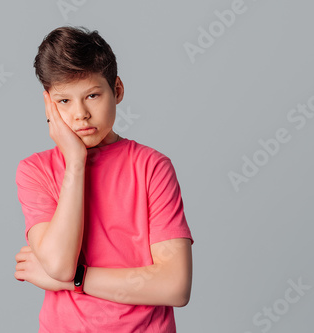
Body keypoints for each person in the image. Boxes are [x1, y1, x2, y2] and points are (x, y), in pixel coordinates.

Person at [14, 25, 194, 332]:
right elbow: (59, 263)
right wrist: (75, 163)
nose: (80, 114)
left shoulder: (152, 167)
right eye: (64, 101)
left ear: (117, 90)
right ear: (48, 104)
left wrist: (76, 279)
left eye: (92, 95)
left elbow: (175, 286)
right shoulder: (36, 170)